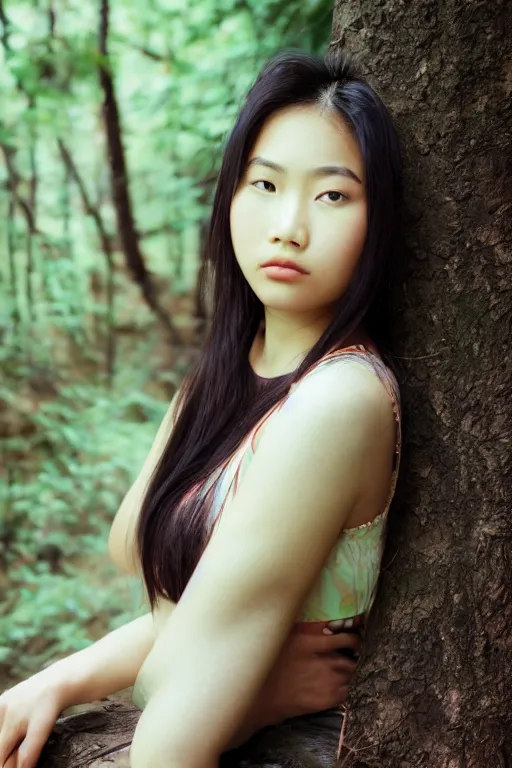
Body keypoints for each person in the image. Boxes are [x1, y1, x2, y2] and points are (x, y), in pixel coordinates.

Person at [0, 45, 402, 768]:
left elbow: (169, 736)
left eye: (333, 195)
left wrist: (256, 694)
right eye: (265, 184)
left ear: (380, 222)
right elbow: (177, 607)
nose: (289, 226)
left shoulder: (338, 403)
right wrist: (60, 677)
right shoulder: (223, 374)